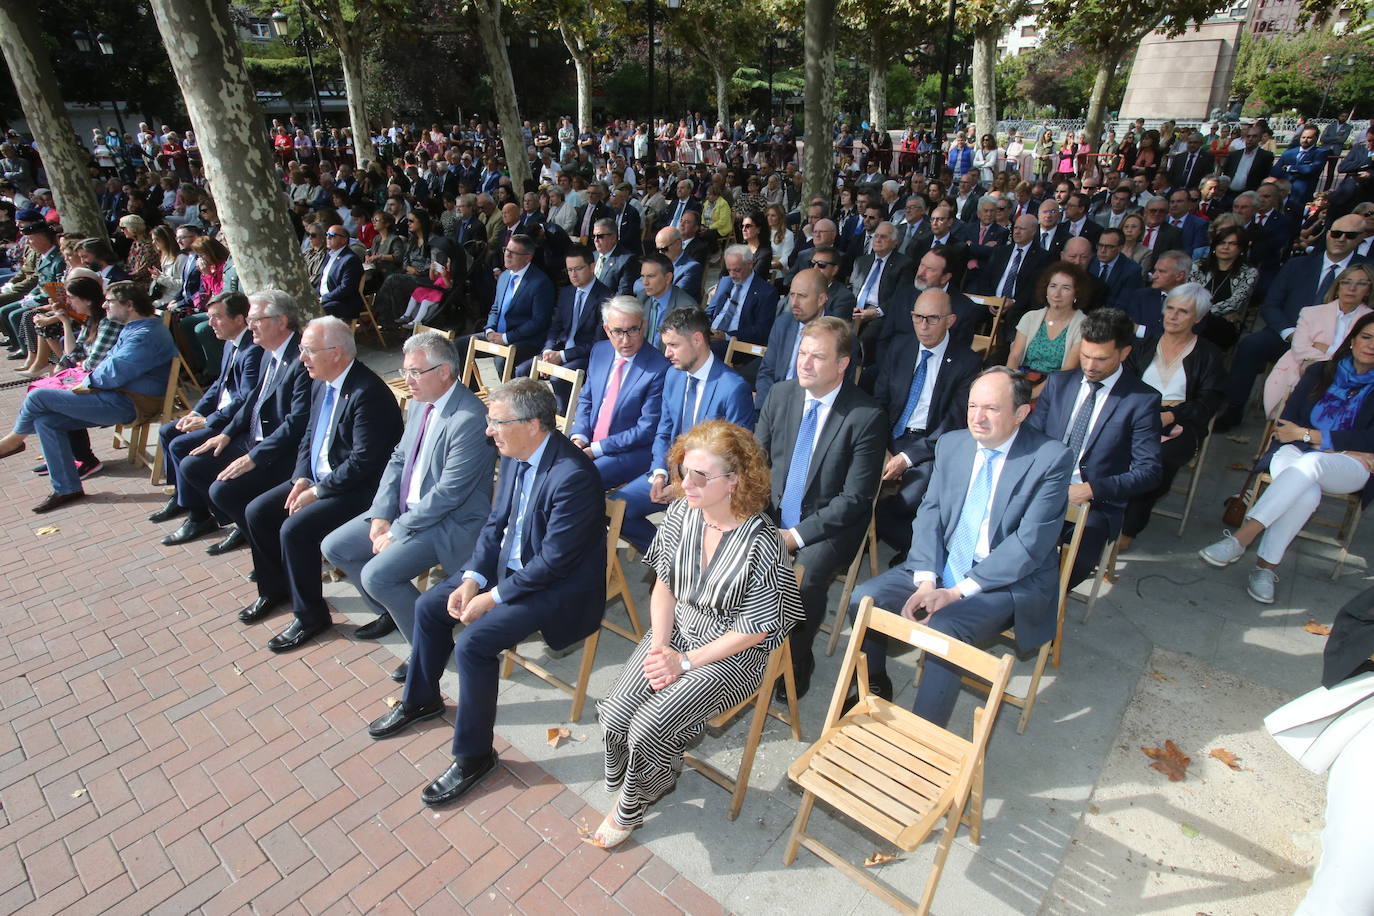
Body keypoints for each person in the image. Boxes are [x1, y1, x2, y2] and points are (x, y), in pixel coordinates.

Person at [365, 379, 606, 809]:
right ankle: (421, 700)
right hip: (507, 570)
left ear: (533, 424)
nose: (488, 430)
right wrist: (473, 578)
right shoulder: (514, 454)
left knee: (475, 644)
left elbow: (552, 563)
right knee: (429, 606)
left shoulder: (573, 476)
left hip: (555, 585)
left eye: (496, 422)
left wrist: (492, 599)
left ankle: (475, 756)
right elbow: (495, 525)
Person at [588, 420, 803, 848]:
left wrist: (683, 663)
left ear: (734, 482)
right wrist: (662, 645)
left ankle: (634, 801)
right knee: (613, 715)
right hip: (677, 633)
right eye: (684, 471)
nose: (685, 484)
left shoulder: (763, 542)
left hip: (731, 655)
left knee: (647, 727)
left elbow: (756, 630)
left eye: (699, 477)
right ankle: (650, 770)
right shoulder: (682, 513)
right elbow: (664, 583)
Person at [845, 367, 1072, 723]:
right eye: (972, 406)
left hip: (1005, 581)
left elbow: (1028, 546)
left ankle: (922, 737)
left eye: (992, 409)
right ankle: (872, 681)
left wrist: (954, 593)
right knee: (863, 599)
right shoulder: (953, 444)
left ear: (1021, 413)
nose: (977, 418)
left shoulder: (1050, 458)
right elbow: (930, 514)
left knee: (945, 630)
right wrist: (926, 580)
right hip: (944, 563)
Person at [321, 332, 495, 656]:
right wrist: (381, 514)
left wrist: (397, 530)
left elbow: (448, 494)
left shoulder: (470, 419)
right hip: (406, 510)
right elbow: (399, 458)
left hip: (448, 523)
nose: (407, 380)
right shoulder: (420, 403)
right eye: (405, 371)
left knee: (378, 575)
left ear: (444, 372)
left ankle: (430, 648)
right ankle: (398, 613)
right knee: (336, 547)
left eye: (415, 372)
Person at [242, 316, 403, 651]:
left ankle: (311, 616)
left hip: (360, 489)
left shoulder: (368, 393)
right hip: (320, 478)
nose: (302, 358)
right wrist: (301, 478)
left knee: (295, 530)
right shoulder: (320, 381)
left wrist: (318, 491)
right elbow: (309, 436)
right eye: (302, 350)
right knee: (257, 511)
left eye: (309, 351)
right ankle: (276, 589)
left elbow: (365, 462)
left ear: (337, 353)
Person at [1201, 314, 1374, 603]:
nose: (1371, 345)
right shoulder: (1321, 371)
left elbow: (1369, 441)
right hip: (1297, 450)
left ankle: (1242, 538)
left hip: (1350, 465)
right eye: (1367, 336)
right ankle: (1265, 570)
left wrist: (1311, 436)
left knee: (1313, 464)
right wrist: (1321, 440)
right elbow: (1286, 424)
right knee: (1306, 495)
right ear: (1353, 338)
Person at [755, 316, 884, 698]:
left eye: (817, 357)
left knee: (805, 579)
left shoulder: (865, 416)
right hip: (775, 508)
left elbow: (855, 498)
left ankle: (796, 658)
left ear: (843, 365)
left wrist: (794, 536)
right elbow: (756, 462)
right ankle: (739, 645)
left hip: (829, 524)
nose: (804, 364)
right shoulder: (781, 394)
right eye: (802, 353)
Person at [0, 281, 176, 513]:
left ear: (129, 304)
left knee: (38, 397)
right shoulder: (134, 327)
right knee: (46, 421)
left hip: (130, 403)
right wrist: (87, 378)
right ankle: (67, 487)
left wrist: (84, 383)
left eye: (110, 301)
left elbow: (110, 374)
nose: (104, 305)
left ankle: (13, 441)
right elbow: (106, 366)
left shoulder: (144, 335)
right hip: (119, 396)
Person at [1026, 307, 1163, 586]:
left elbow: (1149, 471)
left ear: (1124, 353)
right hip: (1041, 488)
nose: (1089, 366)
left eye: (1101, 359)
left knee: (1071, 567)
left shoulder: (1140, 400)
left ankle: (1031, 603)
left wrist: (1090, 489)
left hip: (1095, 503)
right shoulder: (1060, 383)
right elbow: (1031, 438)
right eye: (1085, 356)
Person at [183, 290, 314, 558]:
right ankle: (253, 534)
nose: (250, 325)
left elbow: (297, 422)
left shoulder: (301, 358)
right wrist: (227, 434)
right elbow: (253, 400)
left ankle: (265, 544)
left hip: (282, 449)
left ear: (281, 321)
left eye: (257, 319)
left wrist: (254, 457)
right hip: (255, 438)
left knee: (224, 491)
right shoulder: (269, 351)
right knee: (193, 465)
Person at [614, 307, 755, 551]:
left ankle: (680, 563)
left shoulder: (732, 388)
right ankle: (666, 557)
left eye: (673, 345)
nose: (666, 353)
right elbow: (663, 431)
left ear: (698, 340)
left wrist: (681, 488)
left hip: (708, 487)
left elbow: (735, 461)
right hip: (669, 474)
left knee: (691, 535)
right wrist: (659, 473)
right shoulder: (673, 376)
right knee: (615, 509)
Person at [1217, 213, 1369, 430]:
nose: (1341, 238)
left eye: (1349, 235)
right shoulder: (1298, 265)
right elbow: (1271, 305)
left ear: (1360, 238)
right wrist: (1290, 334)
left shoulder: (1365, 272)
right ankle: (1233, 409)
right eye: (1336, 233)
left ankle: (1307, 422)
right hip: (1287, 332)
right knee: (1251, 345)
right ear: (1327, 234)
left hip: (1333, 343)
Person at [873, 288, 982, 556]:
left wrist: (906, 458)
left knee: (907, 500)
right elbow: (879, 403)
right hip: (889, 436)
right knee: (847, 482)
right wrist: (881, 447)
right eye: (917, 317)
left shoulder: (967, 362)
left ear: (950, 321)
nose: (923, 325)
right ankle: (871, 535)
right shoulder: (899, 348)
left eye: (932, 318)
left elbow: (954, 423)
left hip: (929, 444)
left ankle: (906, 543)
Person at [1119, 284, 1226, 547]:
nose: (1173, 316)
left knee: (1156, 459)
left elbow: (1209, 403)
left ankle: (1129, 528)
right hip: (1137, 415)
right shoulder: (1142, 346)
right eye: (1170, 309)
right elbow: (1122, 386)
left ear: (1198, 318)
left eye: (1183, 312)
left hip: (1183, 424)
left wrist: (1172, 414)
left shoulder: (1209, 355)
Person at [152, 293, 263, 539]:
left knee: (182, 446)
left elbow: (246, 399)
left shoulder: (252, 350)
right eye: (210, 317)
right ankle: (183, 498)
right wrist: (196, 412)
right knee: (169, 430)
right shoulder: (228, 344)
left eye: (217, 317)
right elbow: (218, 386)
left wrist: (208, 421)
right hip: (217, 414)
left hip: (233, 423)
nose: (210, 323)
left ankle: (200, 516)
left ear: (239, 319)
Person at [569, 296, 672, 489]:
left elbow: (646, 429)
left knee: (577, 481)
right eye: (617, 331)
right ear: (607, 330)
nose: (626, 340)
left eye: (633, 330)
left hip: (629, 452)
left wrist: (595, 450)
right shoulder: (600, 351)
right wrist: (579, 438)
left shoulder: (659, 368)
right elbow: (586, 399)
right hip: (589, 441)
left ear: (644, 326)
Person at [1263, 263, 1374, 417]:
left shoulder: (1370, 321)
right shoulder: (1311, 313)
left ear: (1368, 290)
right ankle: (1287, 429)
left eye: (1361, 283)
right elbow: (1300, 349)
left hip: (1350, 378)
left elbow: (1362, 357)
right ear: (1338, 286)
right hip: (1302, 369)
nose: (1352, 288)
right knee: (1310, 376)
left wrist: (1327, 349)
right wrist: (1339, 353)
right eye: (1346, 282)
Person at [1007, 262, 1087, 388]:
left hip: (1057, 386)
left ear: (1076, 293)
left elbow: (1067, 371)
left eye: (1066, 288)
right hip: (1022, 381)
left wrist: (1036, 393)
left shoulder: (1083, 325)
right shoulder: (1030, 317)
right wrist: (1011, 386)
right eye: (1053, 286)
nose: (1057, 294)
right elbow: (1015, 356)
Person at [705, 245, 780, 360]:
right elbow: (709, 311)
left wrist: (726, 336)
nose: (732, 275)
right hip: (712, 334)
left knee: (702, 351)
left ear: (750, 264)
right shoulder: (725, 282)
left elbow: (761, 331)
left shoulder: (766, 293)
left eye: (737, 270)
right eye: (729, 270)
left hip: (738, 343)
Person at [1189, 223, 1257, 350]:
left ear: (1241, 249)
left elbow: (1235, 303)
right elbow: (1189, 295)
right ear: (1215, 246)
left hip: (1222, 326)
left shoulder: (1248, 273)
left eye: (1232, 244)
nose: (1225, 247)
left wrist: (1201, 314)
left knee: (1206, 326)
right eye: (1222, 242)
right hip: (1192, 318)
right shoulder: (1198, 266)